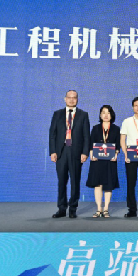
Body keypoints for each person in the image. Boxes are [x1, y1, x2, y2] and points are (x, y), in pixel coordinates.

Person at [49, 90, 90, 219]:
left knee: (75, 181)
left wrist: (85, 152)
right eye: (69, 97)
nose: (72, 100)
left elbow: (86, 136)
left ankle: (73, 208)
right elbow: (52, 134)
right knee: (61, 181)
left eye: (74, 97)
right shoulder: (57, 114)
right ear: (65, 99)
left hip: (76, 152)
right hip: (61, 152)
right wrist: (53, 151)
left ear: (77, 99)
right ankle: (61, 208)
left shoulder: (83, 115)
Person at [86, 105, 120, 218]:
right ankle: (98, 209)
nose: (106, 115)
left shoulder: (116, 129)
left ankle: (106, 209)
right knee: (97, 184)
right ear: (100, 115)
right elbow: (91, 143)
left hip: (110, 160)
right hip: (97, 160)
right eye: (103, 112)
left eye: (108, 113)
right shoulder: (95, 128)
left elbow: (118, 144)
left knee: (108, 185)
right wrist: (91, 154)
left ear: (112, 115)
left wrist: (116, 154)